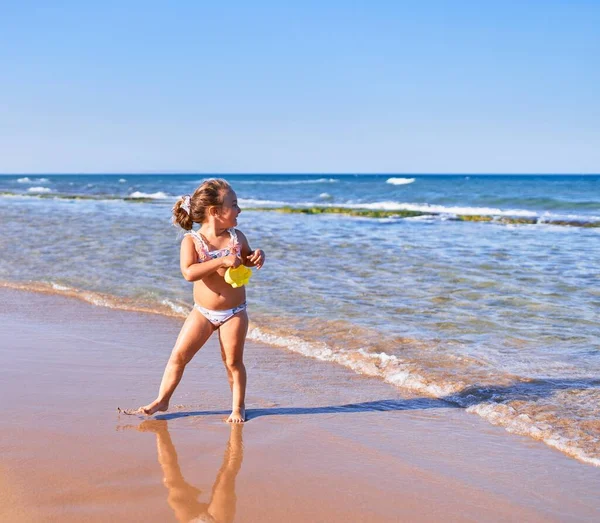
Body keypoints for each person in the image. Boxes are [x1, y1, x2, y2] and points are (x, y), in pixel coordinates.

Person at [138, 178, 265, 423]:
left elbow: (247, 259)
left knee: (233, 361)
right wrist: (220, 261)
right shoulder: (192, 241)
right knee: (179, 356)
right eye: (235, 205)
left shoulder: (236, 237)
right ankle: (162, 399)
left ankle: (238, 407)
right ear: (215, 211)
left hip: (234, 312)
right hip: (203, 312)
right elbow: (189, 273)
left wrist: (257, 256)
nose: (239, 210)